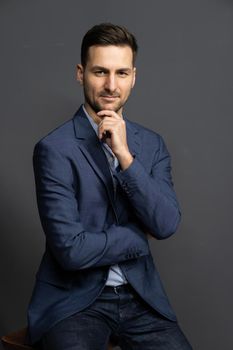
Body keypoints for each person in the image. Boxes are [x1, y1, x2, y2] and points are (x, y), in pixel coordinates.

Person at [27, 23, 192, 350]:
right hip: (74, 304)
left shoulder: (151, 144)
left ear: (134, 77)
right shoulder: (54, 149)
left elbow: (166, 223)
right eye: (100, 71)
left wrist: (124, 156)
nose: (111, 85)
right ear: (80, 73)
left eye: (121, 73)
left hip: (140, 298)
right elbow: (71, 251)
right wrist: (135, 239)